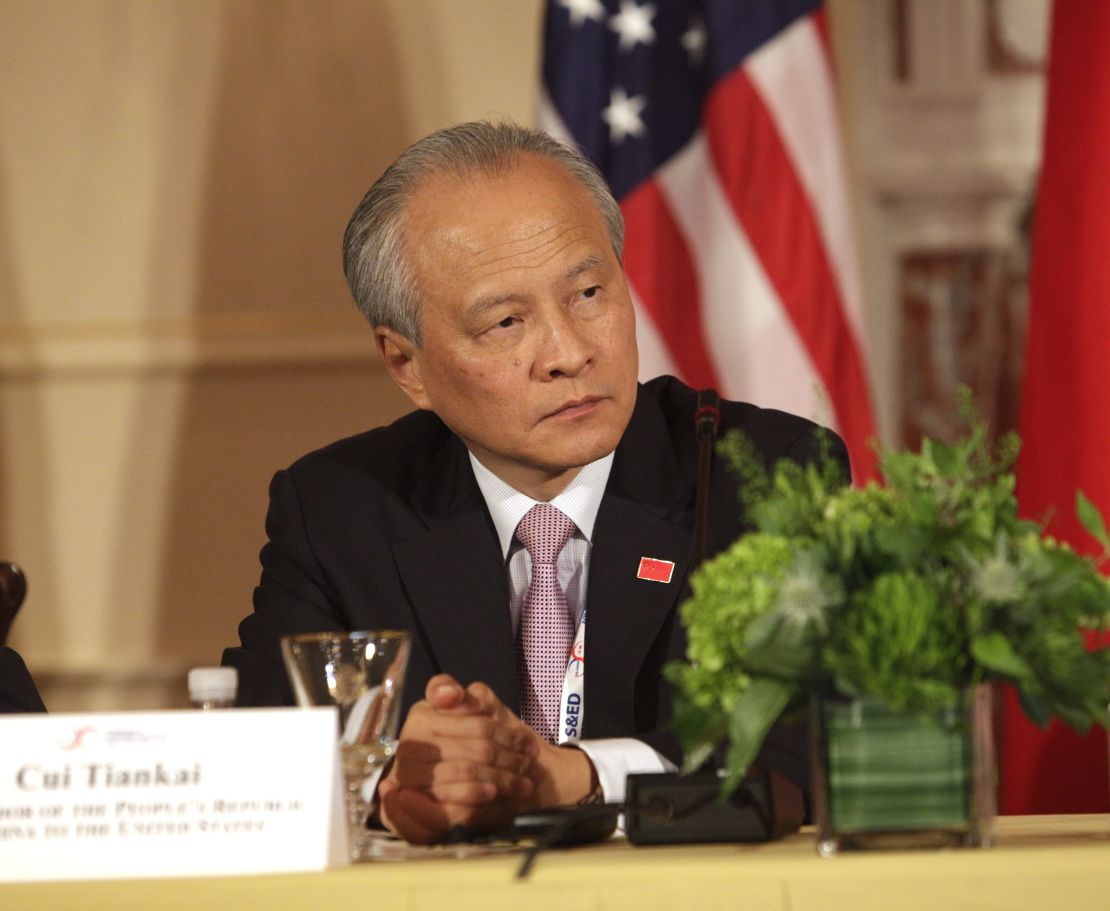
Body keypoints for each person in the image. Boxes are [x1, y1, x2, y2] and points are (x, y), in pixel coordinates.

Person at [223, 121, 848, 844]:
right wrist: (396, 778)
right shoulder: (341, 509)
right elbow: (252, 755)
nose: (570, 352)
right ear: (406, 365)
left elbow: (799, 743)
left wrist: (567, 776)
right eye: (506, 321)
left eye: (588, 292)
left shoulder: (760, 473)